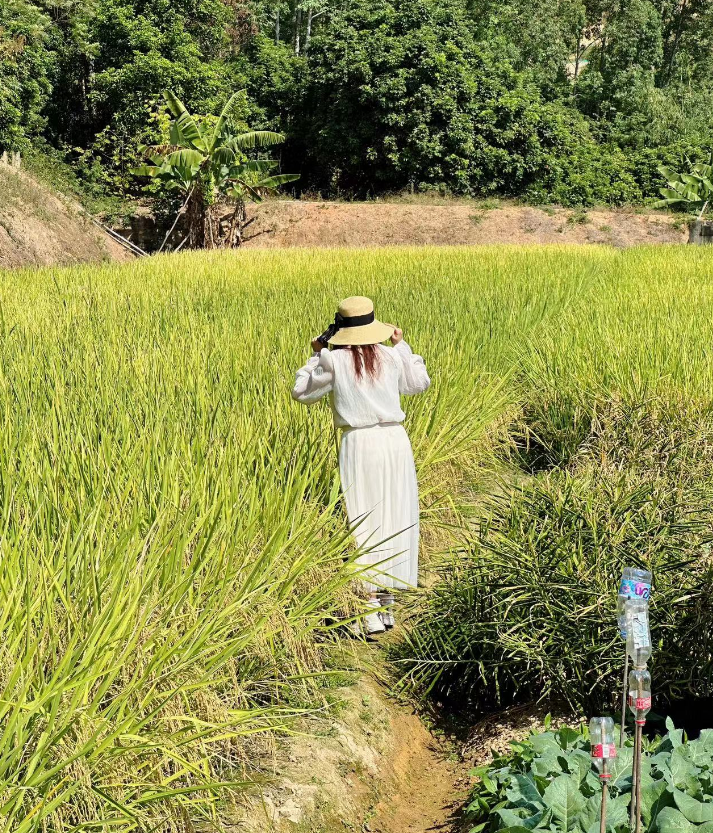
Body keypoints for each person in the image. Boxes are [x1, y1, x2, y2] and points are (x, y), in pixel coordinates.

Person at [291, 296, 430, 633]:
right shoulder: (389, 355)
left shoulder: (333, 360)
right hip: (396, 442)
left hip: (360, 444)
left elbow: (301, 392)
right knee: (394, 517)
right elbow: (418, 384)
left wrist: (314, 354)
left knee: (363, 523)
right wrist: (401, 345)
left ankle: (367, 614)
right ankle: (386, 609)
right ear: (373, 325)